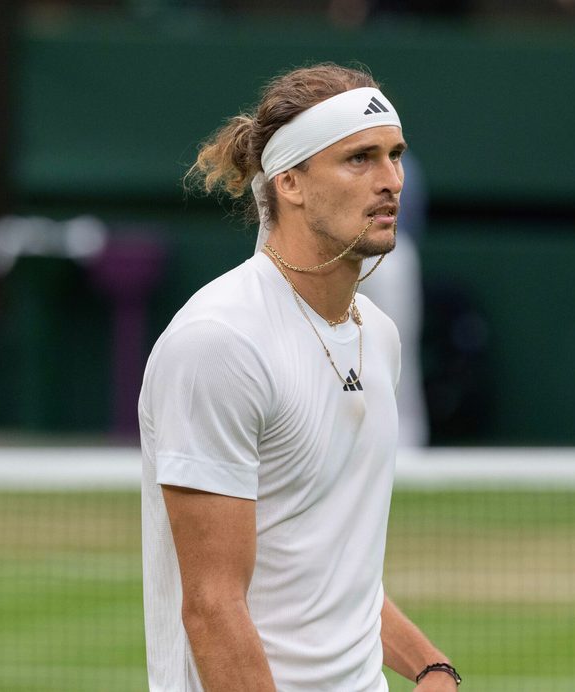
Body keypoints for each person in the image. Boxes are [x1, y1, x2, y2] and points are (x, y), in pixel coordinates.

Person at [139, 63, 461, 690]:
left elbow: (334, 574)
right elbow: (212, 607)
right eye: (360, 159)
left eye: (395, 156)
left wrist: (430, 667)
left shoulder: (378, 336)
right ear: (289, 182)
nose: (392, 180)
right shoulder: (219, 343)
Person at [357, 150, 430, 447]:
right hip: (329, 251)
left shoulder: (400, 159)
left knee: (395, 354)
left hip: (387, 255)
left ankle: (404, 445)